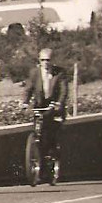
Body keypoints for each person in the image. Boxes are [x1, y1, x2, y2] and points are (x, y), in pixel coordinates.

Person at [23, 47, 70, 184]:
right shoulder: (34, 73)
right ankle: (35, 158)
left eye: (48, 60)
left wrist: (59, 103)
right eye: (43, 60)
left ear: (52, 60)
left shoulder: (59, 73)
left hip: (54, 107)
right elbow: (28, 89)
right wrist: (25, 103)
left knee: (51, 135)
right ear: (39, 61)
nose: (46, 63)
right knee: (37, 131)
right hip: (39, 106)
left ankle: (52, 162)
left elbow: (63, 91)